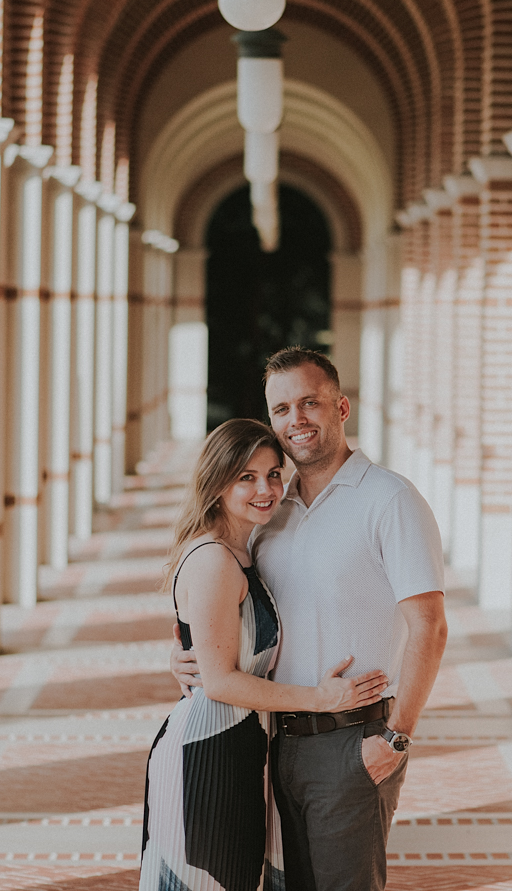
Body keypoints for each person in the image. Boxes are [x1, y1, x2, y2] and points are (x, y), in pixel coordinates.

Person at [172, 349, 449, 891]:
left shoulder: (389, 500)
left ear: (340, 407)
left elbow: (431, 627)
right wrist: (191, 655)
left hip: (354, 738)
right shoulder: (271, 513)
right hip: (277, 740)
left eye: (309, 403)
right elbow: (227, 605)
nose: (295, 419)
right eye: (281, 409)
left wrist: (395, 739)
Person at [142, 418, 390, 891]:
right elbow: (219, 682)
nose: (266, 488)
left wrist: (185, 654)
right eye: (246, 477)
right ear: (216, 484)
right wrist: (321, 698)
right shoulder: (215, 559)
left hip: (239, 750)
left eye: (274, 474)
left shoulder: (246, 547)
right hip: (206, 757)